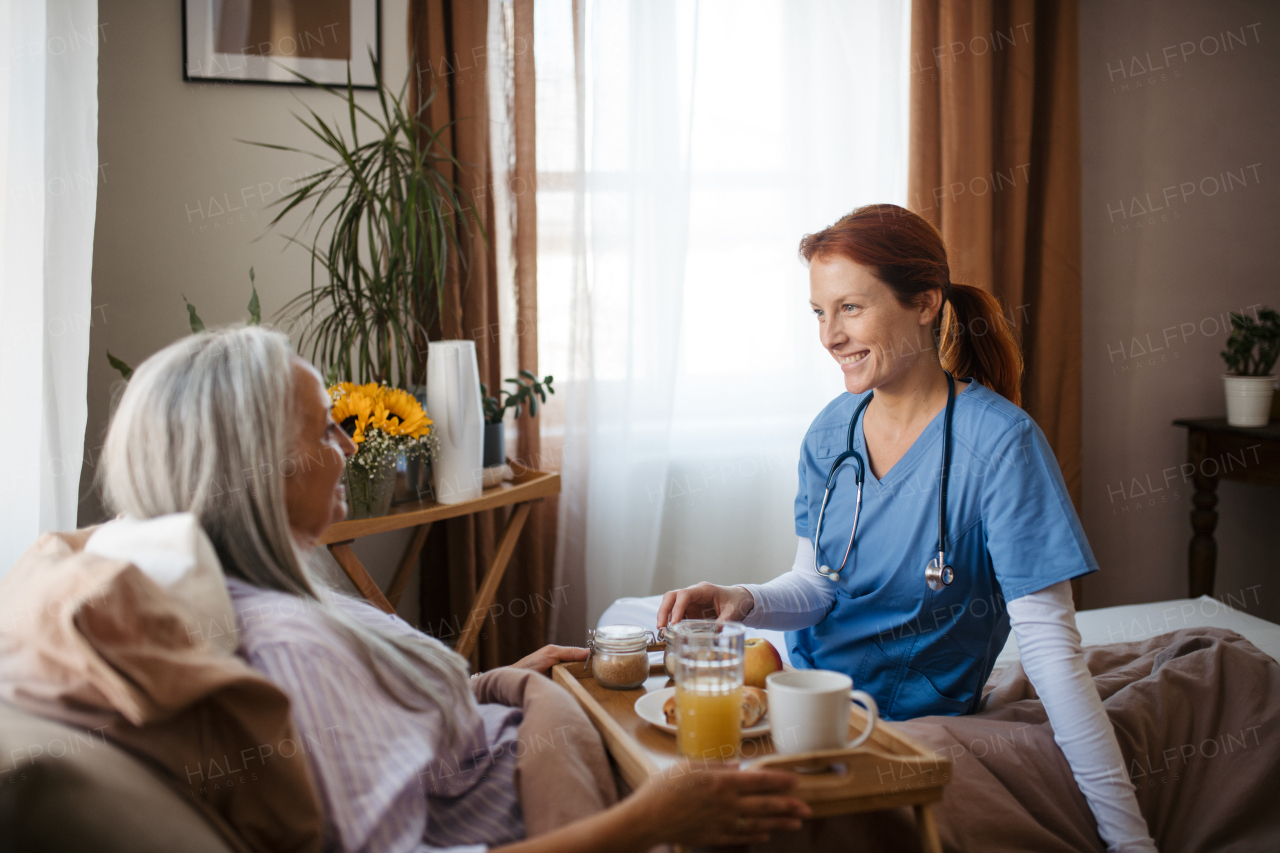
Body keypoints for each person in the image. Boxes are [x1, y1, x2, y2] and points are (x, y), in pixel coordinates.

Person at [99, 325, 811, 853]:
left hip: (529, 746)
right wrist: (655, 819)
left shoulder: (275, 596)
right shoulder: (292, 647)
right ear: (256, 466)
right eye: (324, 430)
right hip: (558, 809)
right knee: (806, 804)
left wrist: (493, 681)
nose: (348, 446)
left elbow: (370, 720)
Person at [656, 204, 1158, 853]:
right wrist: (742, 598)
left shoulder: (1001, 445)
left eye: (850, 308)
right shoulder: (831, 430)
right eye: (818, 312)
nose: (829, 335)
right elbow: (817, 585)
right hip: (802, 701)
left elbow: (1052, 653)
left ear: (924, 302)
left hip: (915, 724)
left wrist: (1131, 839)